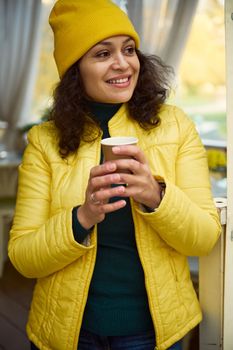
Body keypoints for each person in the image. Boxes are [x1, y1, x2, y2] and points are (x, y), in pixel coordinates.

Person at [8, 0, 221, 349]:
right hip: (68, 334)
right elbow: (23, 257)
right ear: (76, 69)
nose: (123, 63)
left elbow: (202, 238)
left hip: (152, 332)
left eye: (129, 49)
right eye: (102, 54)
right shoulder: (44, 141)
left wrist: (155, 195)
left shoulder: (176, 126)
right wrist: (83, 216)